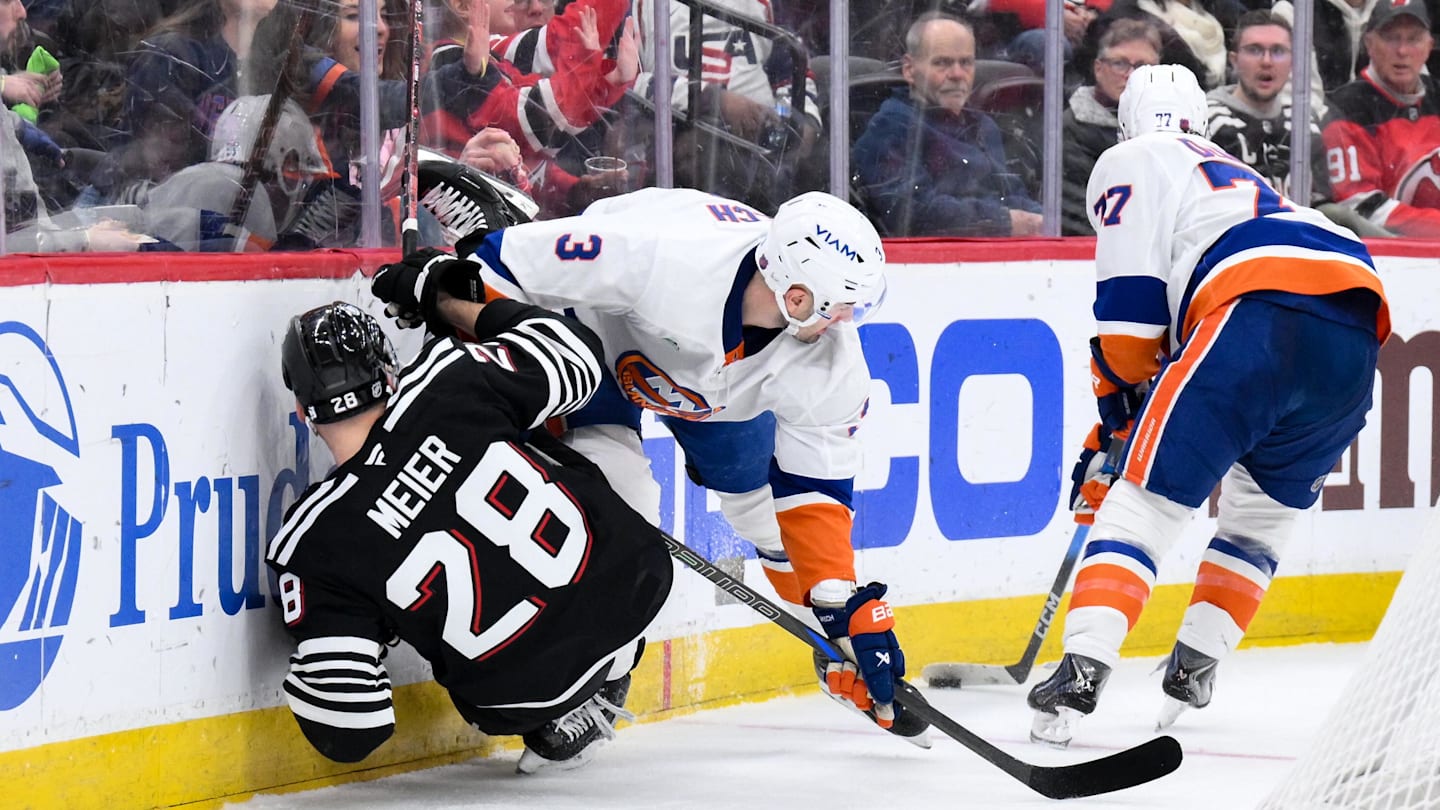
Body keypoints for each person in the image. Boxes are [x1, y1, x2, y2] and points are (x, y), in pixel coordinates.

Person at [369, 187, 927, 746]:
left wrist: (837, 614)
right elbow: (502, 263)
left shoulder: (831, 361)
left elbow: (814, 495)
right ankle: (600, 674)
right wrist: (448, 289)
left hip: (716, 399)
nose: (846, 322)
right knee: (618, 511)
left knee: (767, 519)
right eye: (841, 306)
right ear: (797, 298)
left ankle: (831, 660)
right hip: (595, 339)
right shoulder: (656, 257)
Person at [1027, 64, 1389, 747]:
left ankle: (1083, 668)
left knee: (1145, 504)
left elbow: (1131, 335)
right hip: (1355, 326)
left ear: (1128, 122)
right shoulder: (1242, 179)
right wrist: (1126, 420)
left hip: (1256, 309)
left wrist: (1120, 432)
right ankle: (1196, 663)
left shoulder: (1133, 157)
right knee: (1261, 518)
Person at [268, 298, 673, 773]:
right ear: (389, 374)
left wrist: (365, 615)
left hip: (518, 700)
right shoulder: (447, 377)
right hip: (634, 591)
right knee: (591, 449)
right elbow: (580, 354)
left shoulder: (312, 543)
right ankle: (615, 661)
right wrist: (449, 303)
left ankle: (560, 706)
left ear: (302, 411)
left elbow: (350, 732)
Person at [852, 13, 1042, 237]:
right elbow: (912, 214)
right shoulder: (890, 128)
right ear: (909, 69)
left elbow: (1011, 194)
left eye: (966, 62)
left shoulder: (983, 126)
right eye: (942, 63)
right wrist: (1003, 221)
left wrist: (1042, 219)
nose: (957, 74)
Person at [1320, 0, 1440, 238]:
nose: (1402, 51)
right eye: (1391, 38)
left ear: (1429, 45)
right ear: (1369, 44)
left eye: (1413, 39)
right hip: (1386, 252)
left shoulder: (1436, 95)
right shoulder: (1345, 110)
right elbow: (1361, 208)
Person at [1205, 11, 1330, 207]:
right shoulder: (1208, 120)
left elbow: (1321, 204)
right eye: (1254, 50)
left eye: (1278, 51)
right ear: (1234, 60)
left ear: (1293, 63)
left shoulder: (1304, 124)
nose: (1266, 61)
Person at [1062, 18, 1161, 235]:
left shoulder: (1169, 132)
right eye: (1120, 64)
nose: (1131, 75)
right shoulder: (1070, 129)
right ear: (1098, 69)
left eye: (1143, 67)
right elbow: (1079, 214)